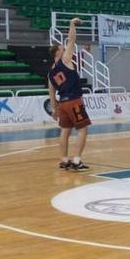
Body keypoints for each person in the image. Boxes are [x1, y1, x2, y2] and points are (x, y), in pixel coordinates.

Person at [48, 17, 90, 171]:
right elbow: (71, 40)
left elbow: (51, 92)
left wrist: (54, 109)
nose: (65, 49)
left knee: (65, 131)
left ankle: (64, 160)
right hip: (73, 100)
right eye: (62, 48)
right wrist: (72, 24)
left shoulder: (51, 72)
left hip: (62, 103)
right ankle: (77, 161)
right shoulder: (65, 59)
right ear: (58, 52)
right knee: (83, 129)